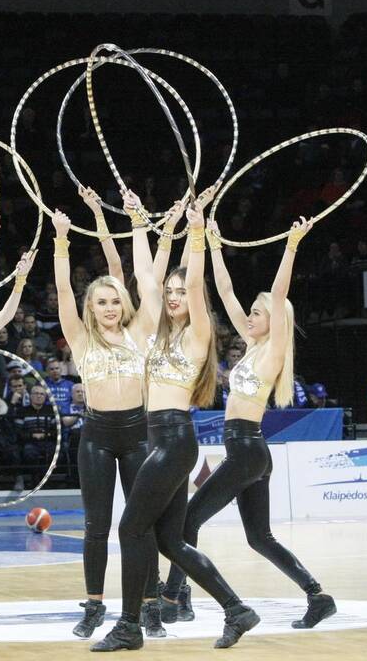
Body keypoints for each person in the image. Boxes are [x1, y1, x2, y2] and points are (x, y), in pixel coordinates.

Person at [93, 198, 259, 652]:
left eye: (181, 292)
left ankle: (129, 626)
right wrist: (135, 222)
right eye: (171, 291)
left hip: (175, 440)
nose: (172, 296)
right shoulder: (155, 334)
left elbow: (196, 279)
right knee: (170, 541)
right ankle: (237, 610)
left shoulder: (197, 334)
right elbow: (145, 278)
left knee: (130, 529)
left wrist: (197, 233)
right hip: (159, 441)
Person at [160, 217, 335, 629]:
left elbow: (277, 294)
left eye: (258, 313)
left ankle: (175, 597)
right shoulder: (252, 345)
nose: (251, 317)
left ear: (275, 319)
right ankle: (317, 595)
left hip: (246, 451)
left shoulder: (273, 350)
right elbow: (224, 292)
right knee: (260, 538)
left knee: (186, 520)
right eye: (252, 313)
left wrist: (291, 245)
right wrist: (214, 246)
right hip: (250, 451)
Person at [51, 190, 164, 640]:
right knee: (96, 526)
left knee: (141, 526)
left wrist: (138, 223)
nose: (110, 307)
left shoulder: (140, 332)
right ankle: (94, 605)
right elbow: (62, 288)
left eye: (115, 300)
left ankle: (151, 606)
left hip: (139, 434)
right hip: (96, 436)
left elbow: (149, 282)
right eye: (102, 302)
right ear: (91, 308)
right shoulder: (80, 339)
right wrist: (61, 240)